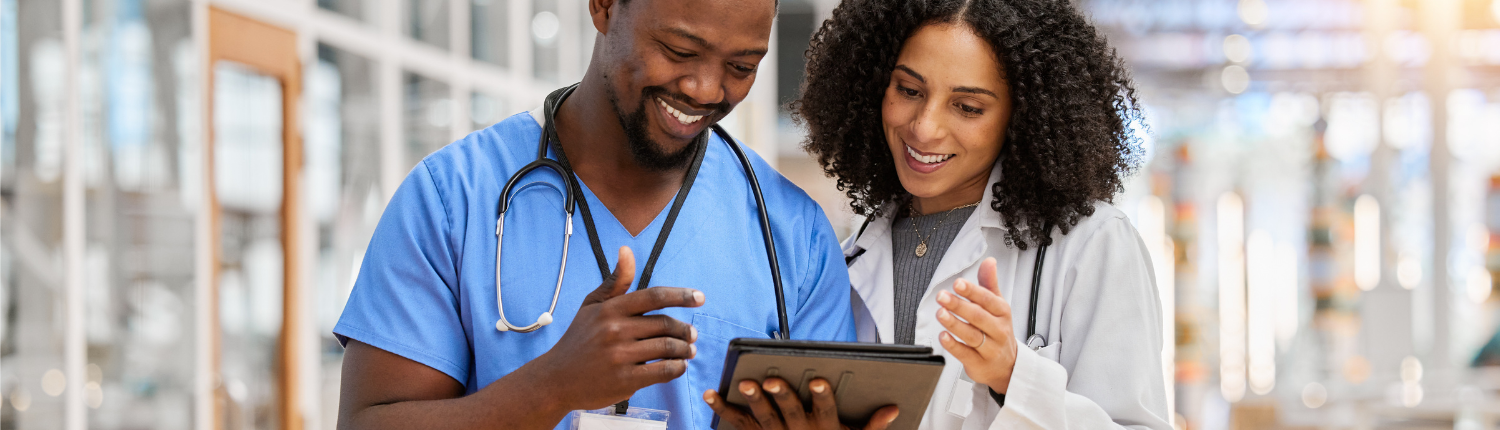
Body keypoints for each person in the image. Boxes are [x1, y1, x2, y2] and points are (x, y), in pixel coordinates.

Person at [333, 0, 856, 428]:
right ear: (604, 6)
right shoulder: (452, 199)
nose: (705, 89)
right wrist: (551, 387)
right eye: (679, 50)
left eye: (741, 67)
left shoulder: (793, 234)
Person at [705, 0, 1172, 429]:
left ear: (1022, 117)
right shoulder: (847, 260)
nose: (925, 127)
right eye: (909, 90)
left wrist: (1013, 375)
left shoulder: (1092, 244)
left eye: (968, 107)